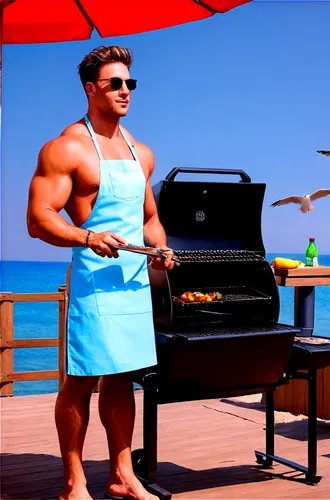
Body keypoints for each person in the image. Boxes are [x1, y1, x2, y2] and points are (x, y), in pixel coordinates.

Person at [26, 46, 176, 500]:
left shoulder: (140, 152)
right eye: (115, 83)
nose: (126, 90)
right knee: (82, 379)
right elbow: (39, 219)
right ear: (91, 89)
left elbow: (149, 216)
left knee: (121, 376)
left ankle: (122, 475)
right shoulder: (67, 147)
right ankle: (74, 482)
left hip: (132, 283)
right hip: (93, 282)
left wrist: (159, 246)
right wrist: (87, 237)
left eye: (130, 83)